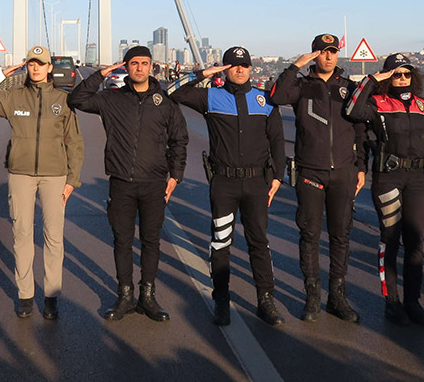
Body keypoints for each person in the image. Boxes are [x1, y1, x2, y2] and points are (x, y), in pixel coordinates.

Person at [68, 45, 188, 322]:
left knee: (151, 241)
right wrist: (101, 74)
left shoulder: (164, 103)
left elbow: (179, 140)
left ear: (151, 67)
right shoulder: (111, 99)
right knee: (122, 241)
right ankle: (125, 296)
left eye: (144, 63)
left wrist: (176, 175)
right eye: (134, 63)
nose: (139, 68)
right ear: (126, 67)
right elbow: (77, 99)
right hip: (121, 182)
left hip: (154, 183)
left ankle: (148, 297)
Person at [173, 46, 287, 327]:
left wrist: (278, 177)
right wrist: (203, 73)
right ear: (224, 69)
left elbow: (277, 141)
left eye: (244, 65)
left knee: (259, 243)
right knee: (221, 243)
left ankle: (266, 300)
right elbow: (173, 91)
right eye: (233, 65)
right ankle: (221, 300)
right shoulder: (210, 97)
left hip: (257, 183)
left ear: (250, 68)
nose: (239, 69)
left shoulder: (265, 100)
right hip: (224, 183)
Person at [0, 46, 84, 320]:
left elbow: (74, 142)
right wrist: (1, 75)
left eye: (40, 64)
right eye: (31, 63)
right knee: (22, 234)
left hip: (54, 175)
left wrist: (72, 179)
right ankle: (25, 295)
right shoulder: (13, 97)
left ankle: (51, 296)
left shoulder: (63, 100)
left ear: (49, 68)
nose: (35, 68)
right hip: (20, 174)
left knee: (53, 237)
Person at [268, 33, 366, 323]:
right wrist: (295, 66)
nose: (329, 56)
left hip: (344, 172)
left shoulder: (348, 87)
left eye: (333, 51)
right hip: (310, 171)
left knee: (341, 235)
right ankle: (312, 296)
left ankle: (337, 297)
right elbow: (275, 96)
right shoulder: (301, 86)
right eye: (323, 52)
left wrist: (361, 166)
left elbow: (360, 129)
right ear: (314, 55)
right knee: (309, 234)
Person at [344, 53, 424, 325]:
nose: (402, 78)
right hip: (388, 177)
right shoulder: (376, 103)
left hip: (419, 179)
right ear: (387, 76)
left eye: (406, 73)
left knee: (416, 241)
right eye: (396, 74)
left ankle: (413, 301)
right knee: (390, 239)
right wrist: (372, 80)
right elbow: (351, 111)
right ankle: (392, 301)